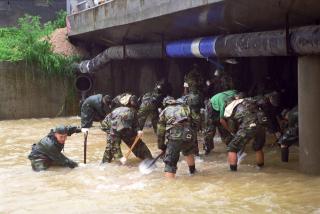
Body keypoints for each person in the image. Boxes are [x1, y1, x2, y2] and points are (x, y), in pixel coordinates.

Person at [157, 96, 198, 178]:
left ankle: (169, 187)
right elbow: (197, 119)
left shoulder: (164, 112)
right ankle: (193, 172)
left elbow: (160, 132)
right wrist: (193, 133)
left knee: (170, 164)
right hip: (189, 135)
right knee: (189, 152)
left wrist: (161, 146)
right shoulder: (186, 107)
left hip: (174, 138)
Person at [224, 97, 266, 171]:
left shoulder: (230, 108)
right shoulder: (247, 101)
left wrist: (235, 134)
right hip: (262, 124)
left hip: (249, 125)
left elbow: (232, 127)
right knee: (258, 146)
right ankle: (261, 167)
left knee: (232, 148)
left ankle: (232, 173)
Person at [202, 89, 237, 155]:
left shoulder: (234, 93)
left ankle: (232, 147)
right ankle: (207, 149)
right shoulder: (223, 105)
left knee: (223, 130)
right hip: (211, 107)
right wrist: (230, 130)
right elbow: (222, 120)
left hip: (218, 102)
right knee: (210, 130)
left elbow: (235, 92)